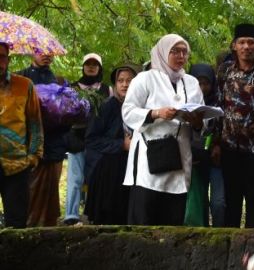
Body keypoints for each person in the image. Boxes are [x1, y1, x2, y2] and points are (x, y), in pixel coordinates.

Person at [122, 34, 204, 226]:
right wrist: (156, 113)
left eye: (184, 52)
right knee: (145, 216)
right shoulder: (145, 79)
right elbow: (128, 111)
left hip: (179, 155)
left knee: (174, 216)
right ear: (162, 52)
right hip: (149, 157)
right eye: (175, 51)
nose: (180, 56)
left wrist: (197, 121)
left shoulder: (191, 83)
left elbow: (200, 119)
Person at [214, 24, 254, 228]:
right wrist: (214, 141)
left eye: (251, 42)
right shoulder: (224, 71)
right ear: (234, 46)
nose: (246, 46)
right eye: (242, 42)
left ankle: (252, 247)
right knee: (231, 201)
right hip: (229, 147)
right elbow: (218, 106)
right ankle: (230, 248)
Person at [84, 63, 139, 224]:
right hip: (109, 172)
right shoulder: (107, 106)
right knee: (109, 220)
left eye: (129, 80)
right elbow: (91, 139)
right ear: (115, 84)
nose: (124, 84)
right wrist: (121, 145)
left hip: (134, 168)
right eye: (120, 80)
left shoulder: (141, 107)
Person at [18, 52, 68, 227]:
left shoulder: (59, 81)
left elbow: (66, 117)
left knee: (50, 197)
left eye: (50, 53)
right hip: (28, 148)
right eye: (41, 52)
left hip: (53, 146)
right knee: (27, 194)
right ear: (32, 52)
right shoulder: (20, 78)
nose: (46, 56)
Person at [64, 53, 112, 225]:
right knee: (75, 178)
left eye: (95, 64)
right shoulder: (71, 88)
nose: (91, 67)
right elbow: (64, 115)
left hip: (98, 140)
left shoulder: (108, 90)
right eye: (88, 64)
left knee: (95, 178)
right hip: (76, 138)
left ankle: (93, 213)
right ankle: (71, 215)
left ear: (99, 68)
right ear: (83, 66)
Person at [0, 42, 43, 228]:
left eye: (1, 57)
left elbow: (35, 125)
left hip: (17, 166)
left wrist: (33, 157)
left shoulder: (25, 86)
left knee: (16, 223)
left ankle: (14, 258)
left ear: (8, 60)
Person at [186, 63, 222, 227]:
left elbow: (224, 128)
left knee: (218, 202)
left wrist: (217, 144)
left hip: (215, 160)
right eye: (197, 83)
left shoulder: (219, 102)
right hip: (193, 160)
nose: (201, 88)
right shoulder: (185, 104)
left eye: (205, 83)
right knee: (197, 201)